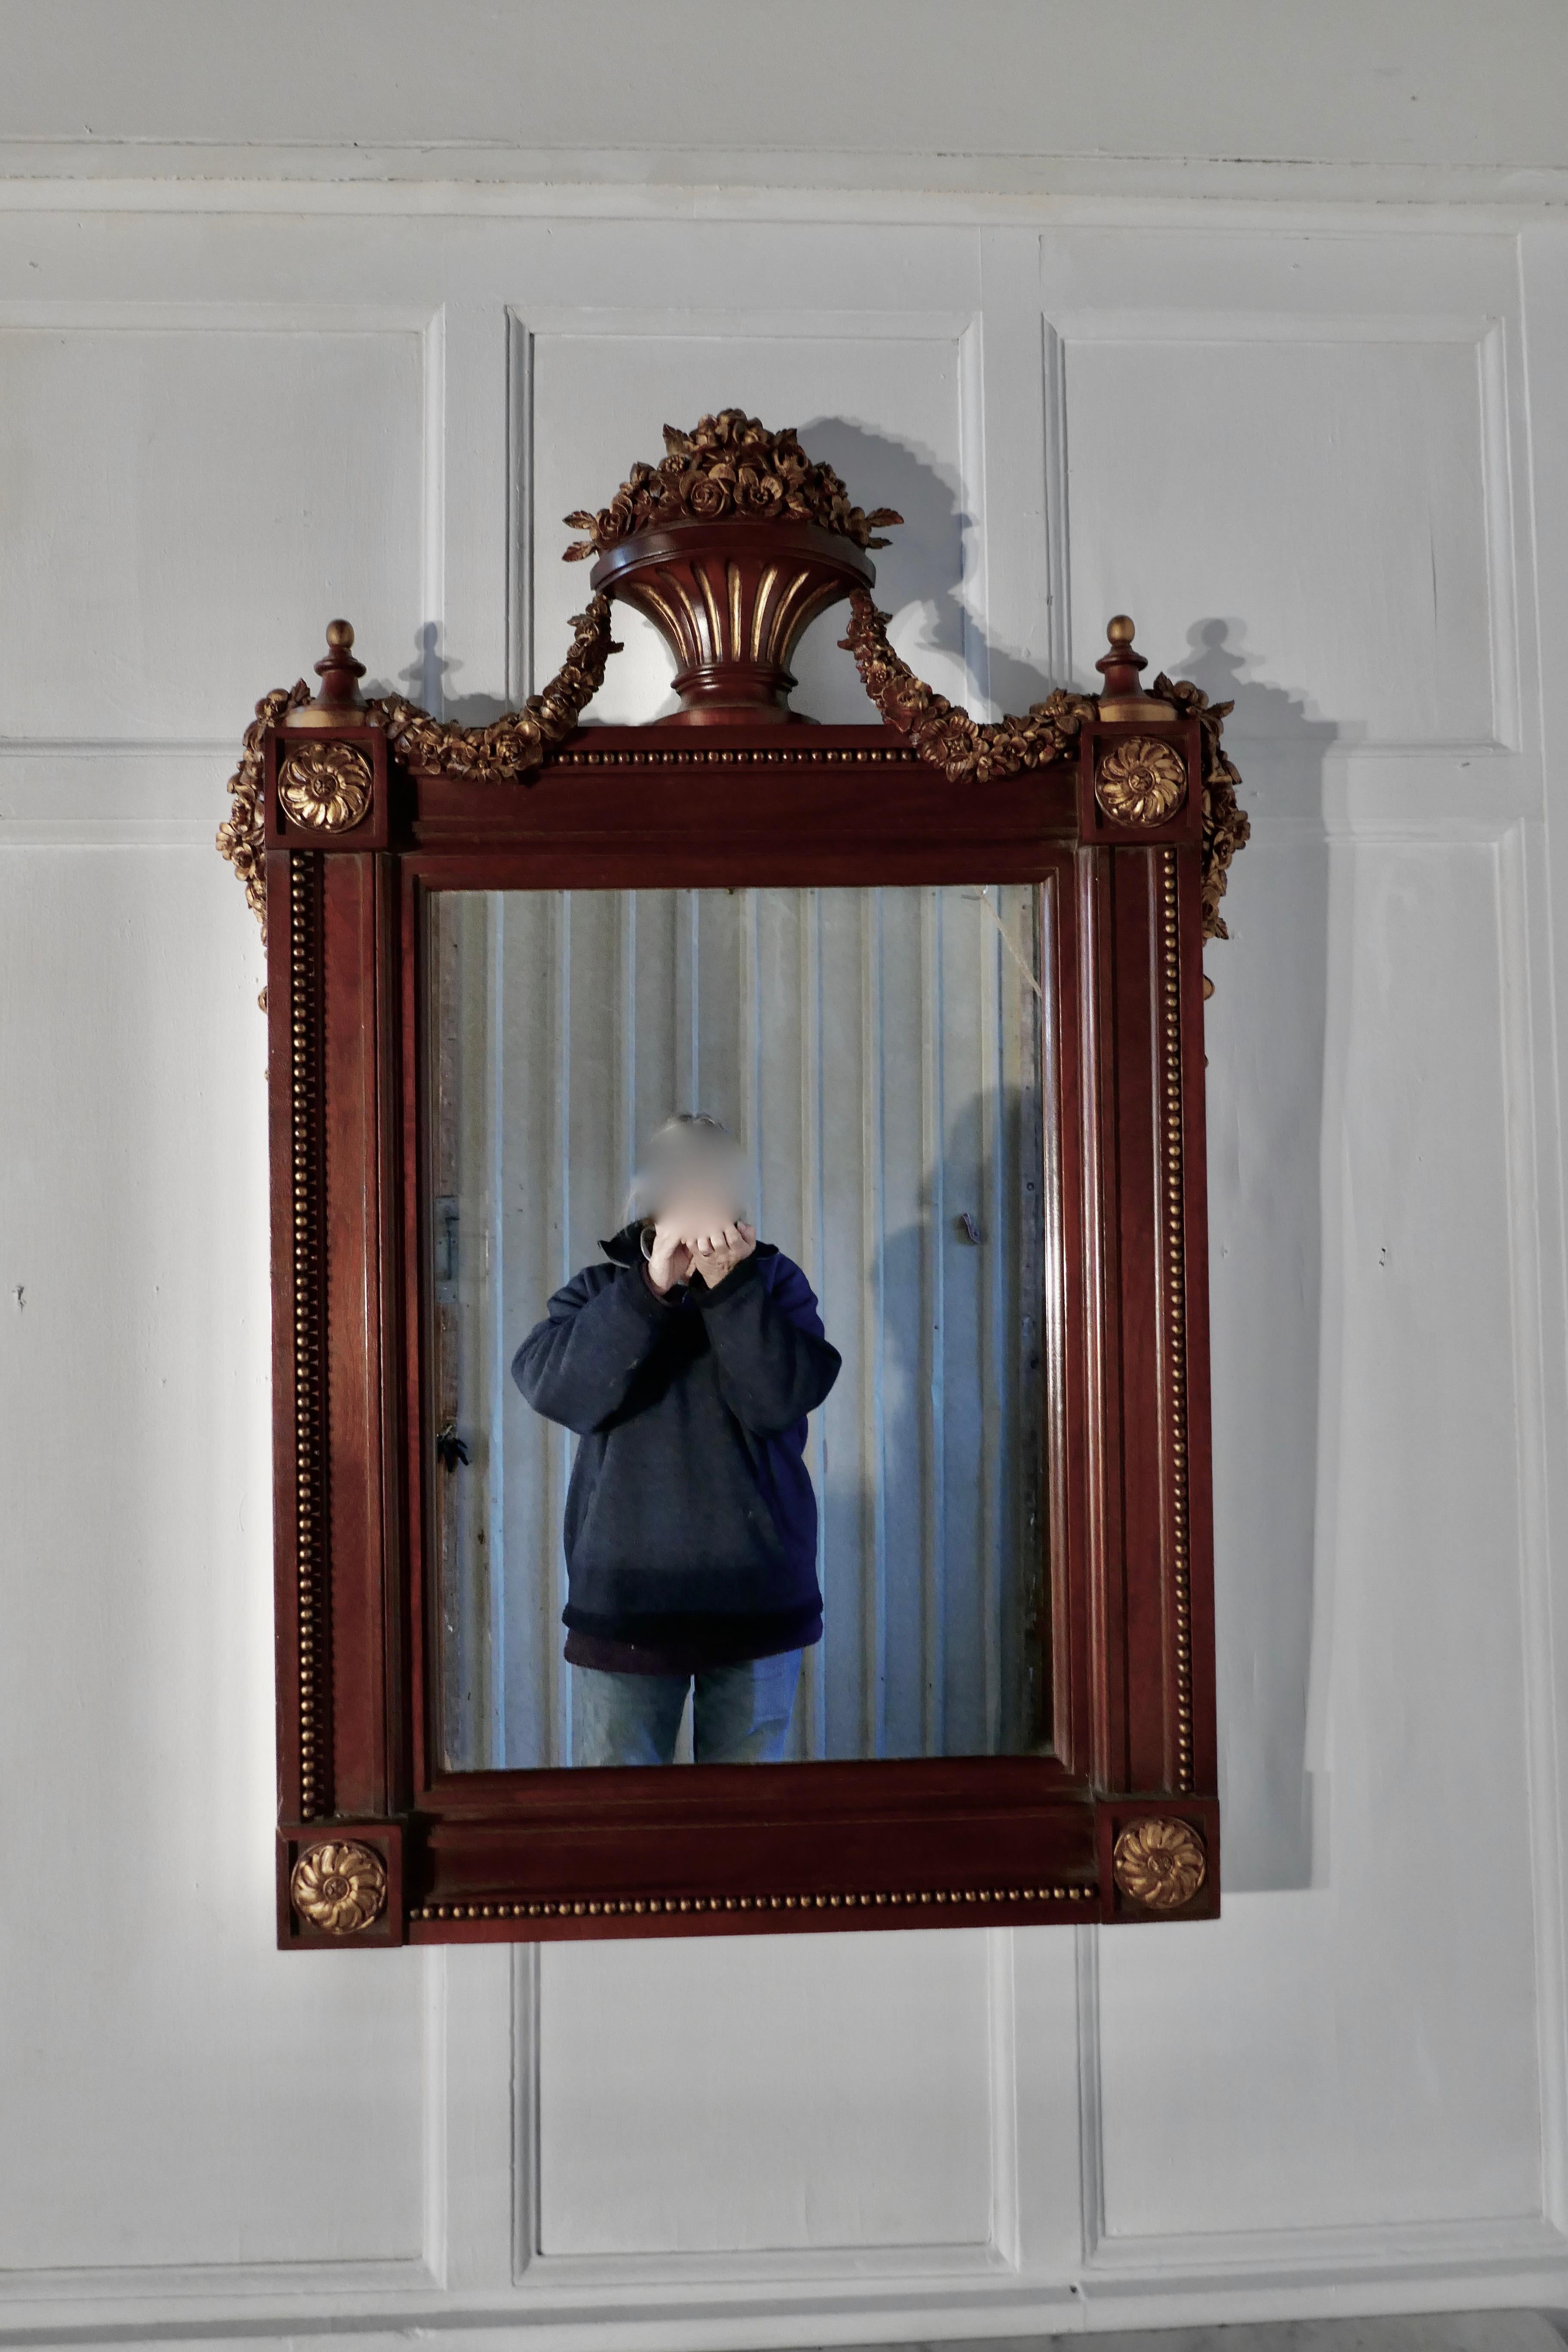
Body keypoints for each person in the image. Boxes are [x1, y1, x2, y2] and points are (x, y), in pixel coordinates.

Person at [512, 1115, 841, 1767]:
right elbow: (555, 1389)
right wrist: (651, 1287)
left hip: (758, 1604)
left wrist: (730, 1287)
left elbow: (778, 1400)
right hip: (626, 1606)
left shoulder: (776, 1287)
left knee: (746, 1833)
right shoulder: (601, 1289)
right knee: (620, 1830)